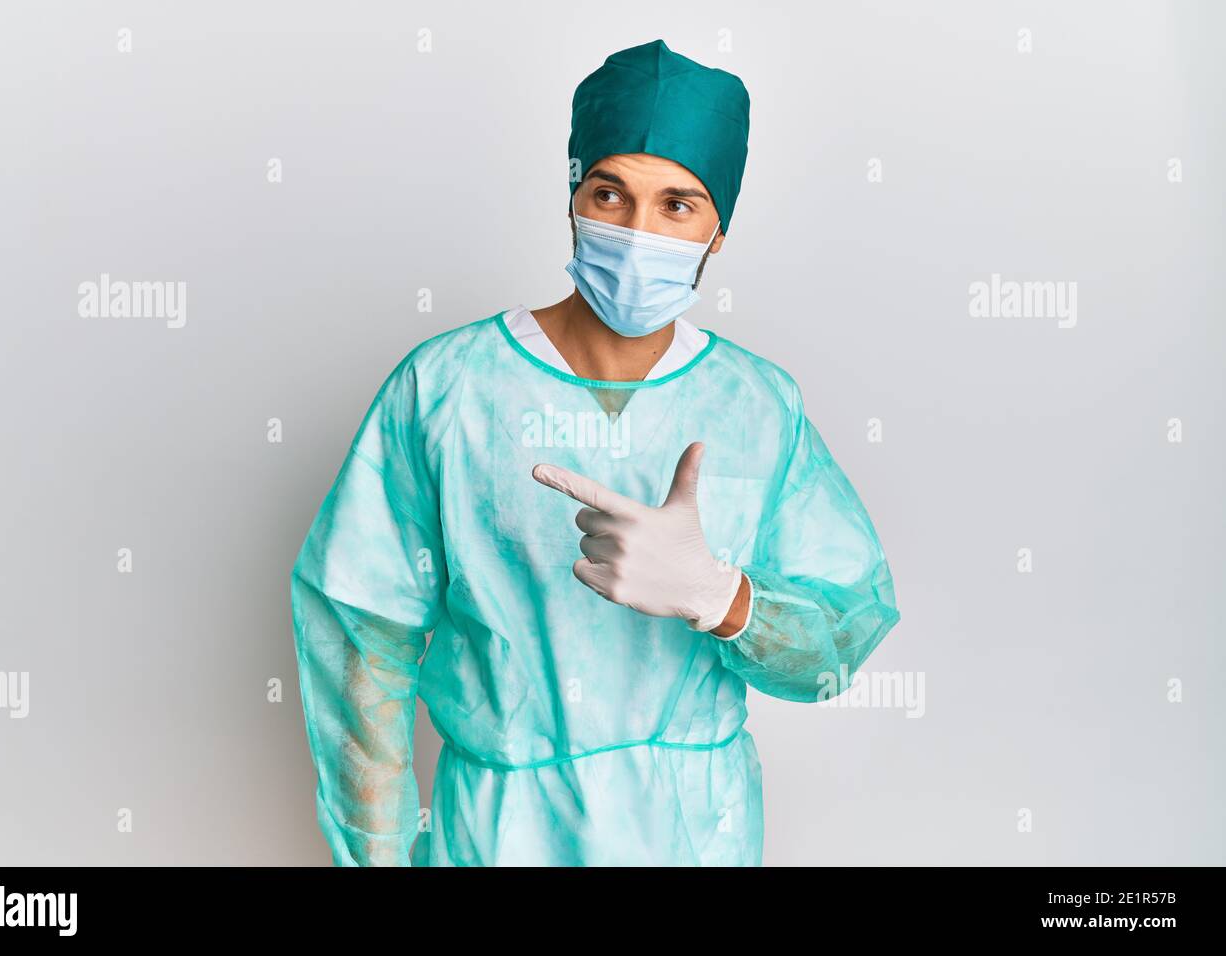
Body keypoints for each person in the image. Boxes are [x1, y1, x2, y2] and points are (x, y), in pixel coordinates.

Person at [290, 38, 900, 867]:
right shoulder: (448, 388)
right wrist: (380, 856)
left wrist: (723, 599)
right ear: (573, 196)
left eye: (678, 205)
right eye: (610, 193)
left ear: (719, 229)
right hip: (501, 831)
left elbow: (837, 645)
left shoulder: (757, 405)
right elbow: (362, 643)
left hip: (698, 833)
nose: (638, 231)